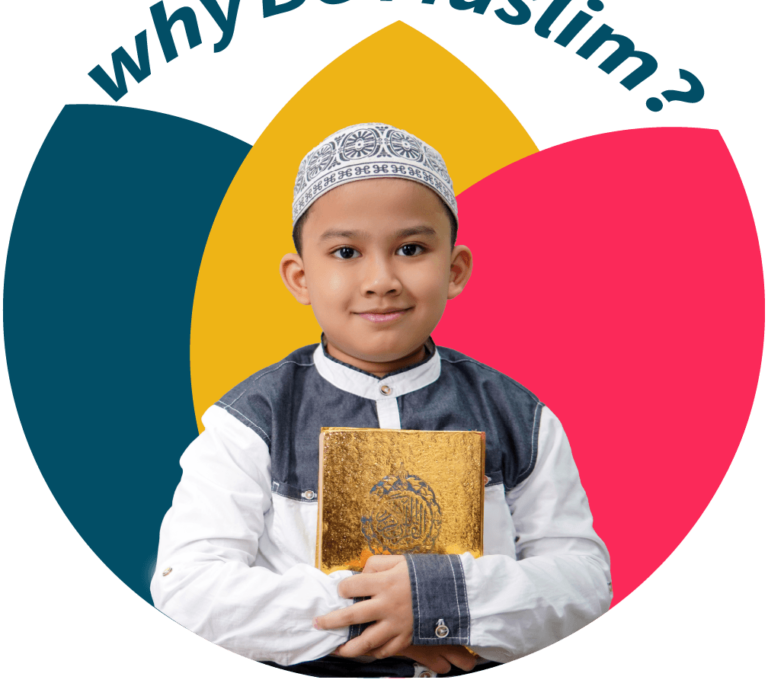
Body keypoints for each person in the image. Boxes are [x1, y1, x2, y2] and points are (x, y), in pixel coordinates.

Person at [150, 123, 612, 678]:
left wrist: (442, 601)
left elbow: (584, 582)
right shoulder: (251, 422)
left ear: (455, 268)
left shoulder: (519, 418)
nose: (381, 279)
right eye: (346, 251)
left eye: (411, 249)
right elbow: (188, 589)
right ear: (300, 278)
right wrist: (376, 616)